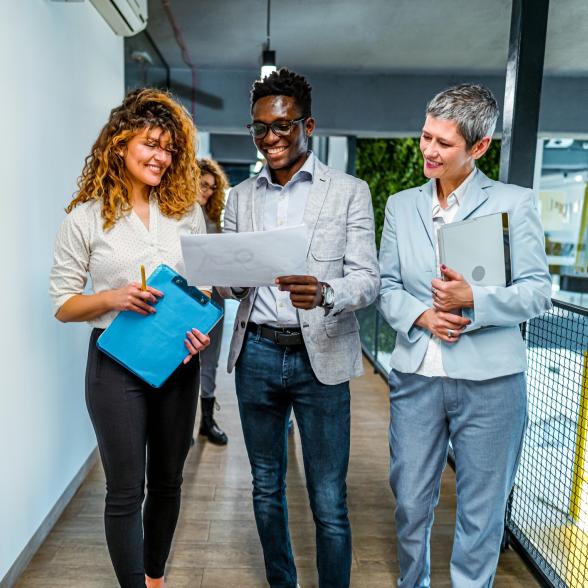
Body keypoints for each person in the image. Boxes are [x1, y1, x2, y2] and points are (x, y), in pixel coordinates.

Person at [378, 84, 552, 587]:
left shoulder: (514, 204)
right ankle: (413, 582)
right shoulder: (401, 206)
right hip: (416, 378)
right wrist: (424, 316)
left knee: (482, 508)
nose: (429, 151)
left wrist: (473, 300)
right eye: (425, 136)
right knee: (410, 500)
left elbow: (537, 292)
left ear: (477, 148)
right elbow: (388, 286)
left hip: (493, 383)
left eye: (444, 143)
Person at [220, 68, 380, 588]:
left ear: (307, 125)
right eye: (260, 129)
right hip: (258, 354)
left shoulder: (350, 192)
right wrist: (232, 282)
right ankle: (281, 582)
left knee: (329, 498)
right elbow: (225, 283)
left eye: (282, 127)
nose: (270, 139)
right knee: (265, 487)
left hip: (323, 357)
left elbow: (368, 280)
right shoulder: (239, 197)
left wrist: (327, 293)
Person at [49, 88, 211, 588]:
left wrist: (200, 329)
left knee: (168, 481)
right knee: (125, 488)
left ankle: (155, 578)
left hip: (178, 361)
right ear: (119, 144)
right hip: (114, 363)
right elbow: (63, 304)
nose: (161, 156)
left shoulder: (184, 212)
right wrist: (114, 298)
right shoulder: (85, 217)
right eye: (151, 144)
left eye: (169, 149)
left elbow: (203, 286)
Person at [195, 158, 230, 445]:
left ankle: (207, 420)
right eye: (203, 184)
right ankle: (180, 423)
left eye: (212, 187)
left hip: (215, 295)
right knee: (182, 358)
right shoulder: (175, 215)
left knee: (210, 358)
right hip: (185, 295)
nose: (207, 191)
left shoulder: (216, 218)